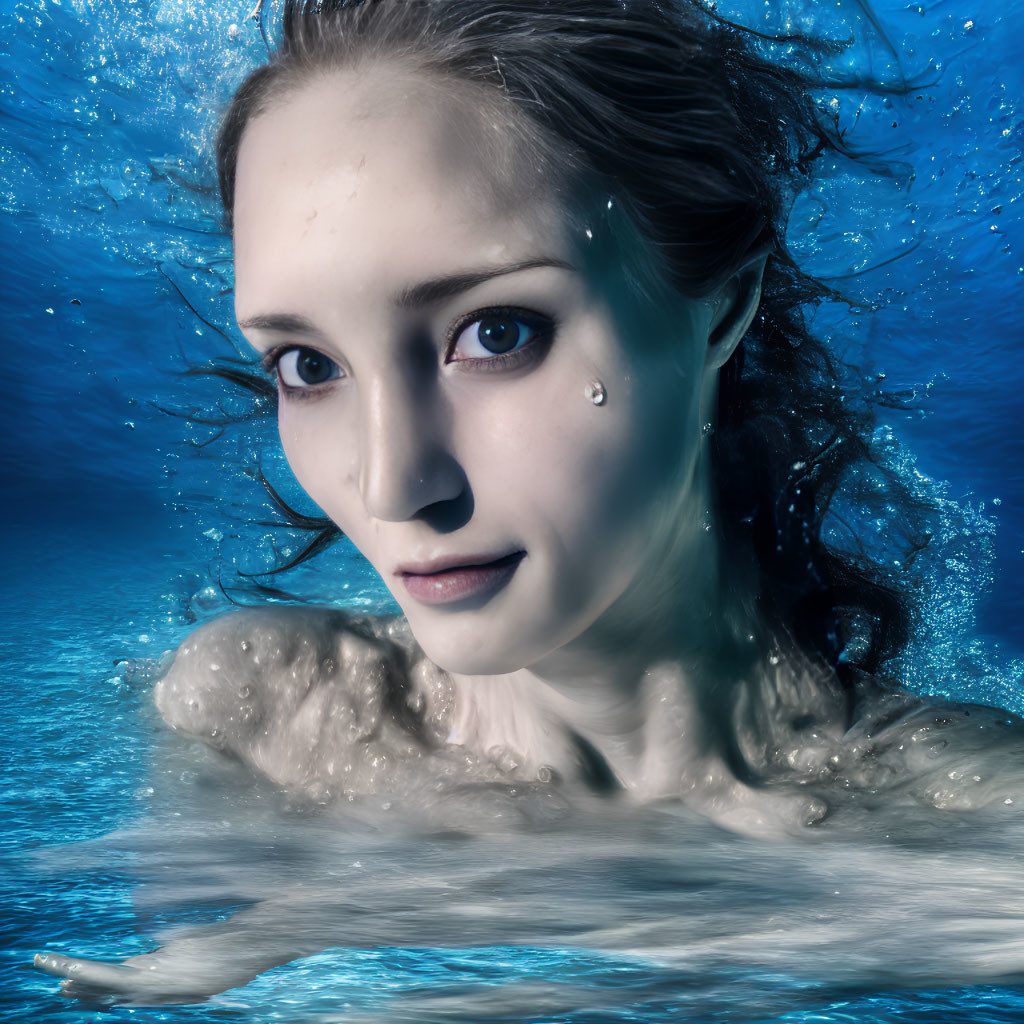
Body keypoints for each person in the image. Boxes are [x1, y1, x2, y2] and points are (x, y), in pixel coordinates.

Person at [35, 0, 1024, 1004]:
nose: (392, 484)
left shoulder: (976, 814)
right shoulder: (252, 706)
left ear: (721, 303)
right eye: (307, 365)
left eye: (496, 332)